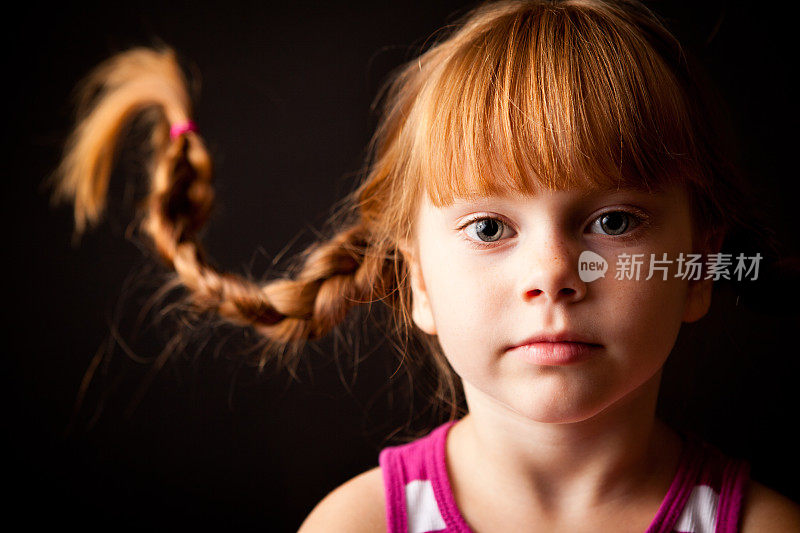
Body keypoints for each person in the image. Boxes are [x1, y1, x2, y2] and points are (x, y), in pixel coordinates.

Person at [49, 0, 800, 531]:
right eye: (488, 225)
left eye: (612, 221)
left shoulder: (765, 525)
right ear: (418, 283)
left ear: (700, 267)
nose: (553, 273)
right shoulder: (358, 526)